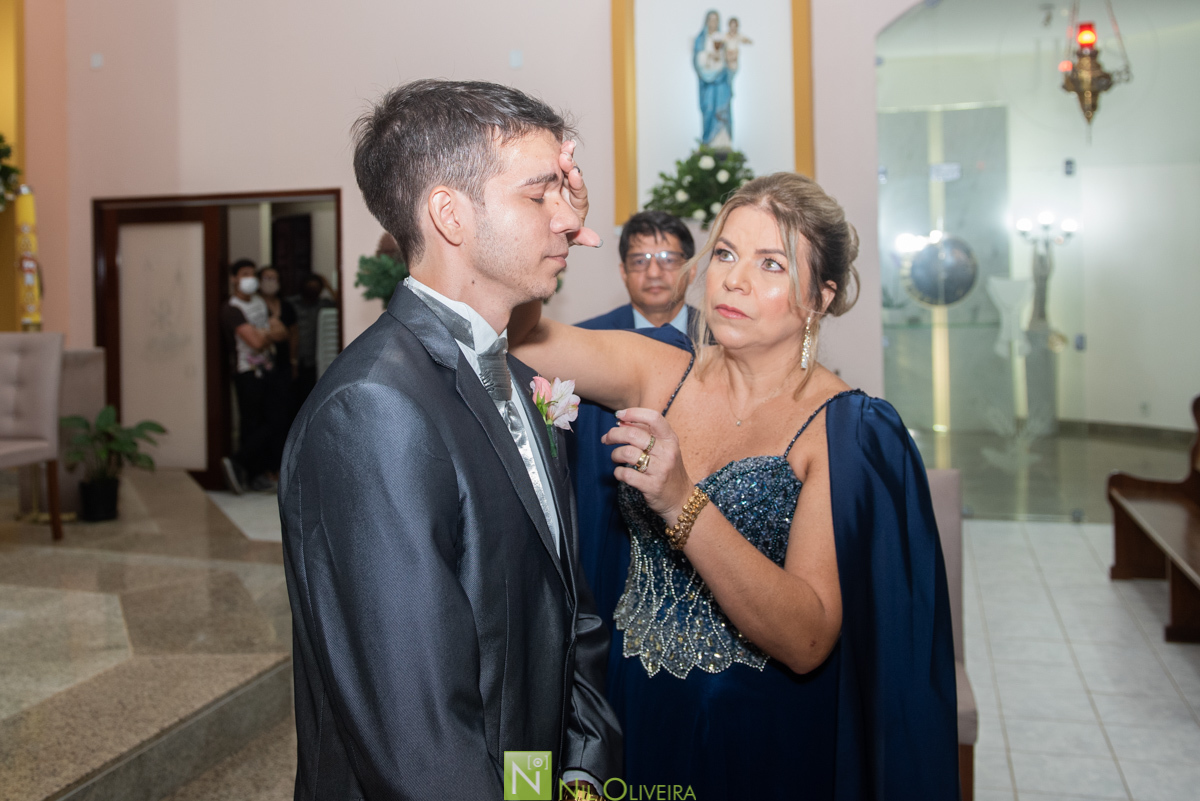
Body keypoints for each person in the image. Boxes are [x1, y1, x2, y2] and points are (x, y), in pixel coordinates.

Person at [512, 172, 960, 799]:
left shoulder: (843, 430)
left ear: (820, 297)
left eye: (771, 264)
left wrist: (679, 502)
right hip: (629, 709)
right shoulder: (659, 367)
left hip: (754, 736)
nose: (734, 279)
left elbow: (808, 639)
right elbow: (523, 339)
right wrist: (549, 227)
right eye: (725, 253)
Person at [278, 79, 620, 800]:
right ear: (449, 214)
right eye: (538, 195)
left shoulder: (507, 369)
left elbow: (565, 609)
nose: (567, 219)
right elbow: (420, 737)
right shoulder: (375, 408)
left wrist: (583, 774)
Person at [570, 210, 697, 697]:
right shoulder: (588, 342)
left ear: (688, 268)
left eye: (668, 258)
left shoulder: (726, 341)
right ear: (623, 272)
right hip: (607, 519)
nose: (654, 271)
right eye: (640, 259)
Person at [221, 259, 287, 494]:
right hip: (246, 373)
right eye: (244, 274)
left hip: (267, 370)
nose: (250, 278)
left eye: (252, 274)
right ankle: (239, 464)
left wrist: (263, 334)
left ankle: (254, 471)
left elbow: (282, 332)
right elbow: (255, 342)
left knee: (274, 421)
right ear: (234, 278)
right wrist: (266, 335)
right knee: (252, 424)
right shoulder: (232, 308)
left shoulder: (260, 302)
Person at [257, 265, 298, 472]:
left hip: (282, 365)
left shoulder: (286, 306)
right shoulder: (255, 305)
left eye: (274, 278)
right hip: (260, 367)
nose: (270, 281)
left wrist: (293, 360)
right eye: (266, 278)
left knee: (282, 415)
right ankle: (264, 466)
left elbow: (290, 334)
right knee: (263, 417)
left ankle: (280, 466)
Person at [287, 272, 336, 408]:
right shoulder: (291, 303)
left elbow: (342, 305)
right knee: (290, 399)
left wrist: (328, 286)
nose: (312, 290)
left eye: (316, 287)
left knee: (309, 397)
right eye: (309, 287)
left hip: (313, 359)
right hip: (292, 359)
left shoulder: (324, 304)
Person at [694, 10, 733, 147]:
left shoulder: (723, 39)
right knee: (709, 109)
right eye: (710, 20)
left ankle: (722, 143)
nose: (713, 23)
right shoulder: (701, 39)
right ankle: (708, 143)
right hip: (707, 83)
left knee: (722, 111)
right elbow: (698, 60)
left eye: (715, 20)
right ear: (706, 21)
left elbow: (730, 61)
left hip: (721, 81)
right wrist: (708, 58)